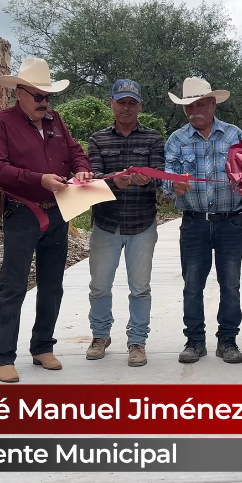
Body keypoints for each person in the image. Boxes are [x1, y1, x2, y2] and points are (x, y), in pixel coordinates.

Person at [0, 58, 93, 383]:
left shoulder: (56, 121)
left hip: (58, 210)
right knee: (13, 285)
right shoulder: (0, 123)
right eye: (38, 96)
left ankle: (43, 346)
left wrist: (81, 169)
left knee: (52, 284)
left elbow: (76, 153)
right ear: (19, 93)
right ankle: (4, 355)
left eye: (48, 97)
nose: (45, 103)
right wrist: (39, 179)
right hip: (21, 212)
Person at [164, 77, 242, 364]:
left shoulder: (235, 136)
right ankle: (195, 341)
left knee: (231, 284)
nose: (194, 111)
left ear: (213, 104)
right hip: (194, 222)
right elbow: (167, 177)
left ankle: (228, 340)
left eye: (200, 104)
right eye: (189, 106)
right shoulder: (177, 139)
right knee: (192, 284)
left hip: (231, 221)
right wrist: (174, 186)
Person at [86, 79, 165, 368]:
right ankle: (100, 335)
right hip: (106, 223)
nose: (126, 107)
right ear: (112, 103)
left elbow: (160, 176)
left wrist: (149, 180)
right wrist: (113, 182)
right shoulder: (97, 139)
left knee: (140, 287)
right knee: (99, 286)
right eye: (121, 102)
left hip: (142, 224)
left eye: (132, 102)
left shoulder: (154, 139)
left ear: (140, 105)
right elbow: (91, 177)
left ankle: (137, 341)